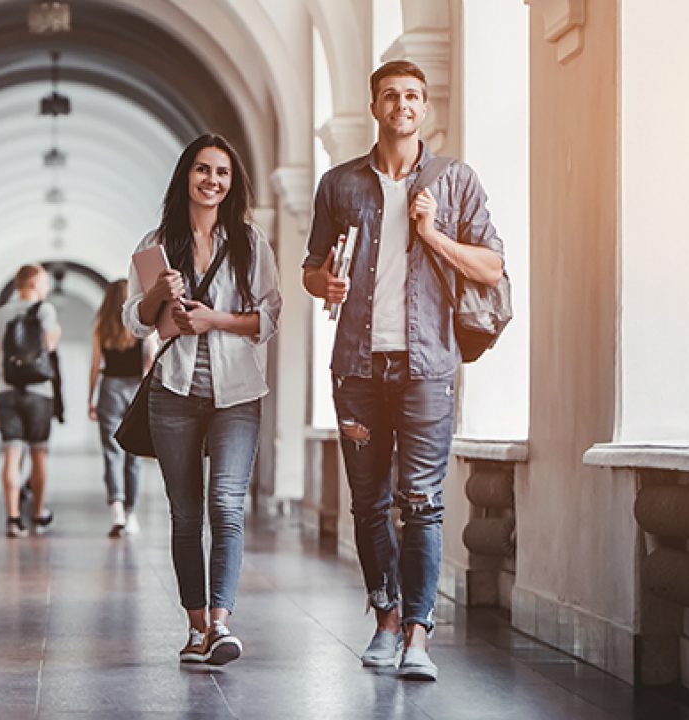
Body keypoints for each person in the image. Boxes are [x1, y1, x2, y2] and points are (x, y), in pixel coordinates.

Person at [303, 60, 505, 681]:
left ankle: (418, 634)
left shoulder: (456, 181)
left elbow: (492, 268)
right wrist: (324, 281)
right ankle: (385, 620)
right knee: (369, 503)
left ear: (425, 108)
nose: (403, 104)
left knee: (422, 504)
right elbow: (311, 267)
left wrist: (433, 233)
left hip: (427, 367)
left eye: (413, 95)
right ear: (375, 107)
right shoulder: (340, 184)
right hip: (357, 370)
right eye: (391, 95)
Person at [122, 133, 281, 666]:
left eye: (222, 172)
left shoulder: (252, 243)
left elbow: (268, 318)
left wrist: (214, 319)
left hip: (237, 394)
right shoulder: (156, 243)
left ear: (232, 184)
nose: (212, 180)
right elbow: (135, 323)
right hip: (175, 392)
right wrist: (157, 294)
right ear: (185, 176)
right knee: (186, 514)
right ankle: (194, 627)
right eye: (202, 170)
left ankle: (220, 623)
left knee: (226, 505)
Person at [0, 265, 61, 538]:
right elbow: (49, 347)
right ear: (32, 282)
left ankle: (13, 517)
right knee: (38, 454)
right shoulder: (45, 310)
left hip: (5, 390)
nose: (47, 288)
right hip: (39, 391)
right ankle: (38, 513)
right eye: (44, 282)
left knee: (11, 455)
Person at [87, 279, 151, 537]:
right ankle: (132, 513)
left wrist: (89, 399)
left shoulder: (101, 325)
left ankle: (117, 510)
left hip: (109, 390)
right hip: (135, 389)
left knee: (111, 452)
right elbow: (150, 361)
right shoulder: (141, 325)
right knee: (133, 455)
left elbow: (95, 366)